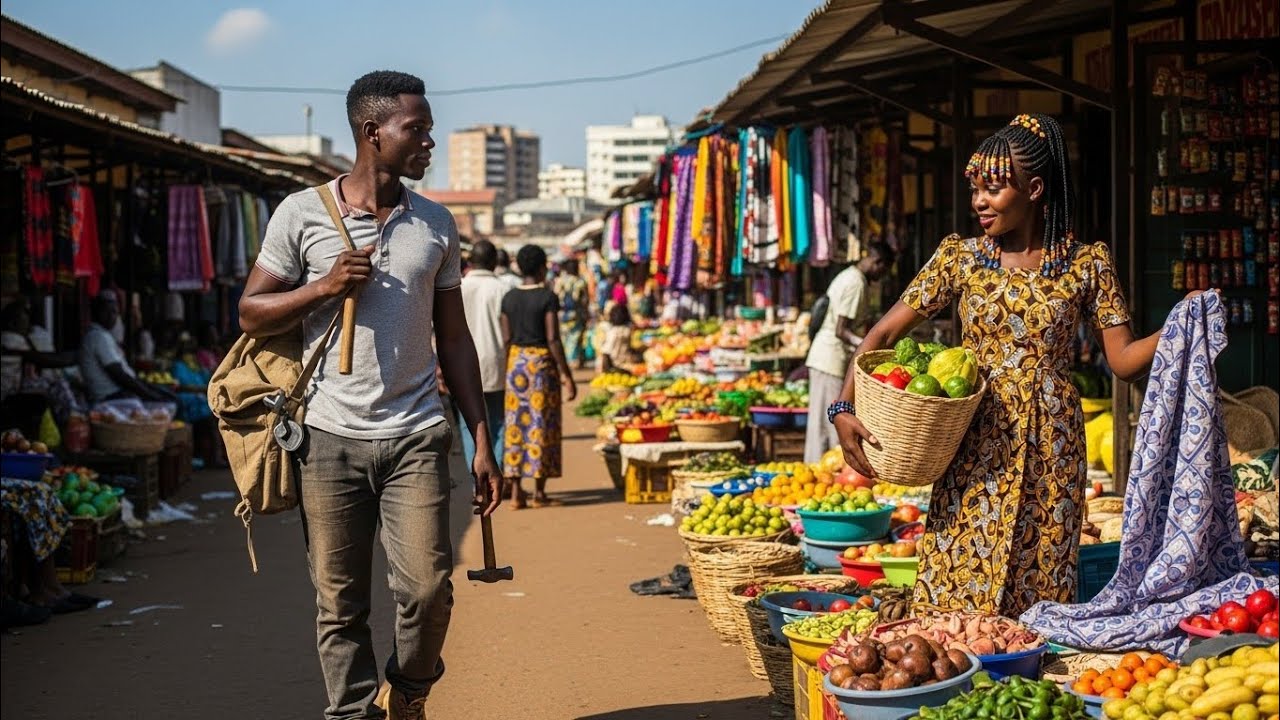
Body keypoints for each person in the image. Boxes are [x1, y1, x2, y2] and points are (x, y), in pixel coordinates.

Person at [831, 113, 1200, 618]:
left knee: (1041, 575)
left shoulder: (1087, 263)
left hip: (1053, 445)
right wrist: (843, 407)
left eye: (995, 189)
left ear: (1035, 189)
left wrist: (1181, 322)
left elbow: (1123, 360)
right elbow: (881, 335)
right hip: (975, 440)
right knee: (956, 573)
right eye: (976, 188)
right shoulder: (959, 259)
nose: (979, 201)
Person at [237, 70, 502, 720]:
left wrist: (481, 436)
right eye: (417, 130)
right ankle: (353, 714)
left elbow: (456, 339)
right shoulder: (300, 214)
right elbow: (250, 311)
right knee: (339, 601)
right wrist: (320, 289)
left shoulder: (436, 223)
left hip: (416, 434)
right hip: (327, 441)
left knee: (428, 589)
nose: (429, 142)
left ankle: (408, 691)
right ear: (371, 131)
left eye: (430, 130)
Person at [501, 245, 577, 509]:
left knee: (516, 427)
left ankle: (515, 493)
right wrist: (567, 375)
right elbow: (553, 338)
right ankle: (539, 493)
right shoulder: (547, 297)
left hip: (516, 366)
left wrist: (509, 369)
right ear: (543, 267)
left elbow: (507, 338)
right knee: (541, 426)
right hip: (541, 365)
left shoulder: (508, 298)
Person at [803, 243, 894, 463]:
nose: (881, 277)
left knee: (823, 420)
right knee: (829, 422)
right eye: (883, 271)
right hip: (830, 358)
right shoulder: (856, 283)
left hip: (826, 356)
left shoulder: (848, 276)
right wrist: (869, 346)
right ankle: (821, 469)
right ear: (877, 262)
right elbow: (841, 330)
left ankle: (822, 468)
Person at [450, 239, 508, 473]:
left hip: (462, 365)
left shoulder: (458, 287)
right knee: (498, 422)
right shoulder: (503, 289)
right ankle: (497, 470)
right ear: (494, 262)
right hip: (497, 362)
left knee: (468, 424)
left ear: (471, 261)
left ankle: (477, 479)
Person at [78, 293, 172, 405]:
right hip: (110, 397)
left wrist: (149, 389)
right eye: (106, 311)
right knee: (165, 403)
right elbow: (119, 375)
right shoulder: (97, 336)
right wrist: (150, 395)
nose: (110, 316)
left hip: (117, 394)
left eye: (114, 312)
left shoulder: (102, 334)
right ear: (95, 312)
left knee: (166, 396)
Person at [553, 258, 590, 370]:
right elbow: (585, 300)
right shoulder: (580, 282)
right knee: (575, 339)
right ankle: (572, 361)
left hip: (563, 315)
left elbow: (555, 297)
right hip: (576, 315)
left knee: (564, 338)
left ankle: (564, 361)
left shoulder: (560, 281)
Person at [597, 301, 635, 373]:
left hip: (612, 363)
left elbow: (605, 350)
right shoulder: (627, 330)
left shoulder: (610, 331)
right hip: (622, 364)